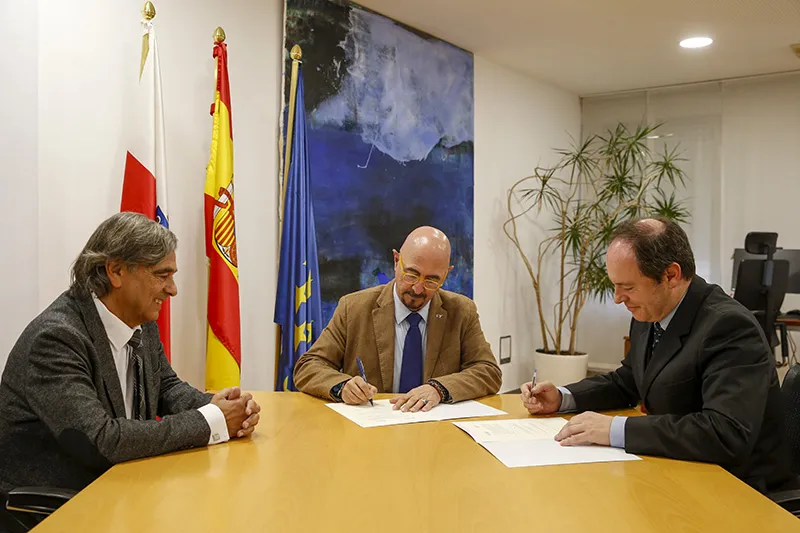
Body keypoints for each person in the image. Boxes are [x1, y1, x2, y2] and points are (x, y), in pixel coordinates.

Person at [521, 217, 791, 493]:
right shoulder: (650, 310)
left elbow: (724, 433)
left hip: (739, 486)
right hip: (679, 469)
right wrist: (563, 397)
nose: (617, 298)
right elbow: (628, 381)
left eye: (627, 287)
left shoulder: (729, 326)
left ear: (671, 275)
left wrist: (615, 430)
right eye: (615, 285)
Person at [0, 212, 261, 496]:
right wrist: (211, 420)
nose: (172, 290)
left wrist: (223, 407)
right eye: (162, 275)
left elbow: (164, 387)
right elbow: (101, 441)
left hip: (123, 486)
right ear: (116, 271)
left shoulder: (140, 320)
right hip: (59, 504)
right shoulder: (56, 339)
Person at [294, 226, 501, 411]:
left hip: (436, 431)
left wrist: (439, 389)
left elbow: (488, 372)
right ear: (396, 261)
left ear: (447, 274)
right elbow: (309, 366)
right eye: (411, 275)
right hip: (371, 433)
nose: (418, 289)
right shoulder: (353, 308)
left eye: (432, 280)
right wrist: (342, 386)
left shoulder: (461, 311)